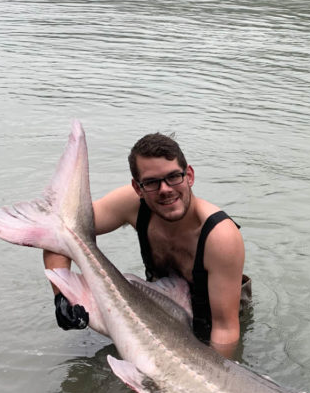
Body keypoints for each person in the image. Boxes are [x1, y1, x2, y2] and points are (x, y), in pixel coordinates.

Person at [44, 132, 250, 357]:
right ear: (138, 188)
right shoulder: (131, 205)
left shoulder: (220, 236)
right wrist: (61, 296)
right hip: (159, 312)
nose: (165, 189)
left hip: (212, 322)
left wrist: (207, 382)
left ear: (189, 175)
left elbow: (226, 329)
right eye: (152, 182)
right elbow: (61, 232)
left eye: (173, 177)